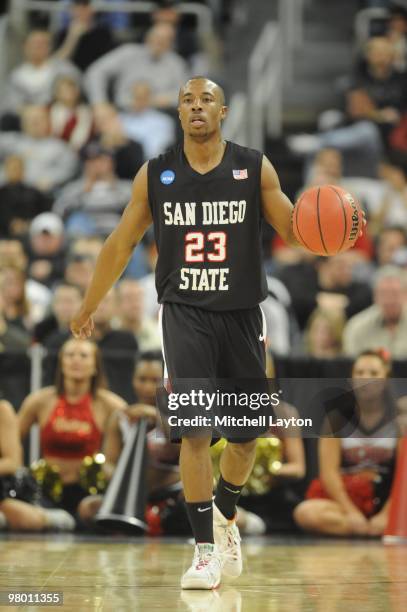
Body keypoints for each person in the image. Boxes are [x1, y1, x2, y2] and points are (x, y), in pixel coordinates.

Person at [71, 76, 364, 590]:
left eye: (206, 99)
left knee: (246, 437)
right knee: (196, 429)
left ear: (223, 111)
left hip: (244, 314)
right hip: (184, 312)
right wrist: (89, 305)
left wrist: (334, 233)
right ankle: (204, 548)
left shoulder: (253, 167)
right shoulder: (156, 174)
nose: (196, 107)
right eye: (187, 100)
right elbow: (120, 244)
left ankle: (225, 517)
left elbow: (296, 229)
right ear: (179, 114)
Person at [294, 350, 404, 536]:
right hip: (348, 500)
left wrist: (387, 515)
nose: (366, 378)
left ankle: (380, 526)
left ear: (386, 379)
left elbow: (404, 476)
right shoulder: (336, 420)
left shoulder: (400, 422)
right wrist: (351, 513)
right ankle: (365, 529)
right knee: (306, 513)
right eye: (360, 373)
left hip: (390, 499)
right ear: (351, 379)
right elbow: (329, 472)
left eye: (374, 373)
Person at [18, 338, 125, 519]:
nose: (76, 360)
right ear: (61, 363)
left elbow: (132, 446)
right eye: (69, 355)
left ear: (95, 366)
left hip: (89, 491)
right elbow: (10, 439)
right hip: (44, 491)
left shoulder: (110, 404)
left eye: (83, 355)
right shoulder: (39, 401)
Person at [78, 351, 181, 526]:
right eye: (142, 379)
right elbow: (108, 463)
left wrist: (157, 416)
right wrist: (123, 480)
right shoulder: (120, 418)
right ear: (133, 380)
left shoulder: (180, 415)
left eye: (154, 380)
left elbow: (182, 452)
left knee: (193, 510)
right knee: (87, 508)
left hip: (173, 493)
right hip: (129, 496)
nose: (148, 387)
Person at [0, 398, 74, 532]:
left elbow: (12, 462)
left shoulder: (2, 409)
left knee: (26, 520)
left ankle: (53, 517)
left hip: (4, 488)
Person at [85, 22, 188, 111]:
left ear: (172, 43)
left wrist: (158, 100)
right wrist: (99, 103)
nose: (159, 42)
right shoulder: (128, 52)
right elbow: (95, 72)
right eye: (157, 37)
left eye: (166, 39)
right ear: (147, 38)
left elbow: (186, 96)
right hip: (124, 111)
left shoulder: (177, 63)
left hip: (162, 113)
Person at [343, 265, 407, 357]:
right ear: (375, 296)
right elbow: (352, 365)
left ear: (405, 295)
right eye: (384, 294)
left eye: (395, 293)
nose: (389, 299)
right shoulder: (357, 328)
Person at [0, 156, 51, 239]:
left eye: (17, 168)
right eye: (11, 168)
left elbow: (44, 212)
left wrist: (29, 223)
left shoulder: (34, 192)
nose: (14, 171)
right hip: (3, 233)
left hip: (30, 233)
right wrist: (11, 223)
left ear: (23, 170)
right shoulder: (1, 193)